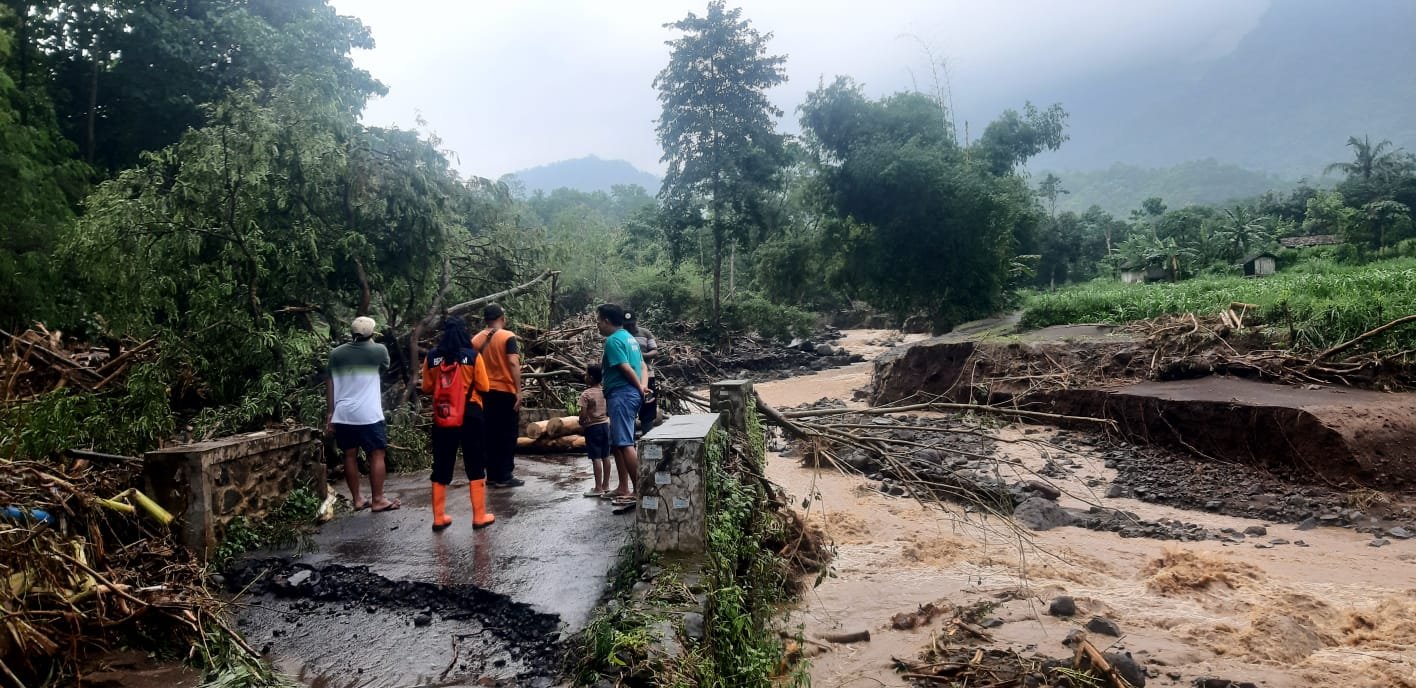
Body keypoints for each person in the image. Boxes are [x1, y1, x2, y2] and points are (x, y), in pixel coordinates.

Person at [420, 316, 495, 531]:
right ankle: (479, 516)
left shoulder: (432, 358)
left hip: (443, 415)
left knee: (442, 462)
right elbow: (484, 386)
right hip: (471, 414)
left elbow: (426, 387)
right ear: (464, 332)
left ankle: (439, 517)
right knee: (475, 461)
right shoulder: (472, 356)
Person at [324, 316, 398, 512]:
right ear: (372, 333)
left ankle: (357, 499)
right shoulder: (378, 350)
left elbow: (329, 382)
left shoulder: (336, 354)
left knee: (349, 455)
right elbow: (384, 367)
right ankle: (378, 499)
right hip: (368, 414)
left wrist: (330, 413)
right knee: (377, 453)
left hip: (343, 414)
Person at [596, 303, 649, 508]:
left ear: (607, 321)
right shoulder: (630, 338)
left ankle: (639, 491)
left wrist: (639, 387)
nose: (598, 325)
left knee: (625, 442)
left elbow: (626, 368)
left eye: (599, 320)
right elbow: (643, 365)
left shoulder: (613, 341)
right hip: (628, 393)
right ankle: (623, 487)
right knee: (618, 442)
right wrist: (643, 386)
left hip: (622, 394)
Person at [472, 303, 525, 488]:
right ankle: (505, 475)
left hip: (485, 392)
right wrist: (518, 391)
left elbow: (472, 366)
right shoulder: (507, 336)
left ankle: (492, 475)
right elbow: (512, 363)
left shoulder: (476, 339)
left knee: (489, 434)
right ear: (502, 318)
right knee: (507, 434)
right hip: (505, 391)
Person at [578, 364, 612, 498]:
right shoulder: (605, 392)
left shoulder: (586, 394)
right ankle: (606, 485)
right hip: (605, 426)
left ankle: (598, 488)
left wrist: (581, 422)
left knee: (596, 458)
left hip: (593, 428)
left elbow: (583, 414)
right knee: (606, 456)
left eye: (586, 375)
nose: (584, 377)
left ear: (591, 378)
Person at [624, 312, 659, 437]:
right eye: (627, 325)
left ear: (636, 321)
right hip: (629, 378)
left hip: (648, 375)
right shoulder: (622, 336)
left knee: (648, 407)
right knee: (630, 408)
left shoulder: (645, 333)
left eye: (632, 324)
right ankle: (630, 439)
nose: (631, 327)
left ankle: (648, 437)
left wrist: (640, 356)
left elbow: (655, 351)